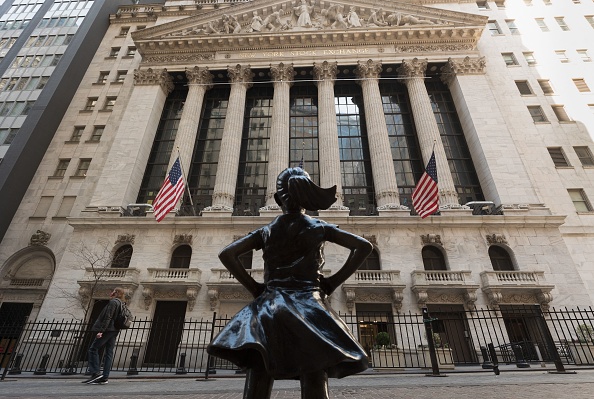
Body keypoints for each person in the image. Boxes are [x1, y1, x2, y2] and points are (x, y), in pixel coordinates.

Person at [207, 167, 373, 399]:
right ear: (306, 197)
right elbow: (364, 247)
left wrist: (254, 288)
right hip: (310, 307)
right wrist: (332, 283)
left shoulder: (267, 231)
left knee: (260, 372)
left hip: (269, 308)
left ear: (277, 200)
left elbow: (228, 254)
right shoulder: (319, 227)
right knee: (314, 371)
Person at [82, 287, 126, 385]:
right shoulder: (121, 303)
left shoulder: (113, 302)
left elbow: (108, 317)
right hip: (114, 330)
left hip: (108, 330)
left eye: (113, 291)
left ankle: (96, 373)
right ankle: (104, 377)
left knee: (93, 349)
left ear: (116, 292)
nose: (111, 292)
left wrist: (101, 331)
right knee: (109, 353)